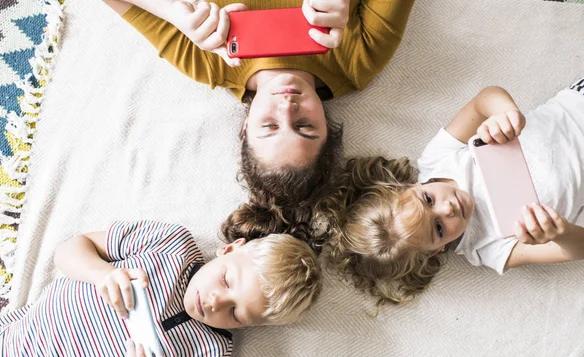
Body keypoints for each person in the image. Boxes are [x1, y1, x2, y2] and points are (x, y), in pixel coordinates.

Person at [320, 66, 584, 305]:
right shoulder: (489, 249)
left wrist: (507, 114)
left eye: (428, 200)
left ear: (404, 186)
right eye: (439, 229)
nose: (449, 208)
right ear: (435, 251)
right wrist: (561, 232)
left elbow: (485, 100)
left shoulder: (437, 159)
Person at [102, 0, 414, 207]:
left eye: (270, 126)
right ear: (328, 127)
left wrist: (176, 12)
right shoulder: (359, 58)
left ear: (245, 127)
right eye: (304, 126)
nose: (287, 107)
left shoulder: (205, 60)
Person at [0, 220, 321, 357]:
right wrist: (102, 273)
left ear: (253, 327)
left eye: (235, 313)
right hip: (8, 348)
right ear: (230, 249)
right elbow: (68, 250)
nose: (214, 302)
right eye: (225, 280)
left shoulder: (211, 354)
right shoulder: (170, 244)